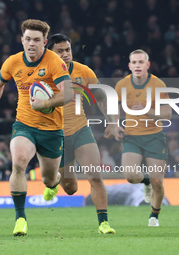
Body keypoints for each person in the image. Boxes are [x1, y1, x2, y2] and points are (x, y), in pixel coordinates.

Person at [0, 19, 73, 236]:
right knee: (19, 162)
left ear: (44, 42)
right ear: (22, 40)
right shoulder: (13, 62)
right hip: (25, 124)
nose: (32, 44)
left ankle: (53, 184)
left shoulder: (54, 61)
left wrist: (45, 104)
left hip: (52, 129)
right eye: (28, 39)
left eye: (37, 40)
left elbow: (68, 93)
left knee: (49, 178)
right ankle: (20, 218)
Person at [46, 34, 121, 234]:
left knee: (95, 176)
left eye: (67, 50)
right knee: (70, 189)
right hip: (56, 136)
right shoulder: (42, 74)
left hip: (81, 130)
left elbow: (102, 97)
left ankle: (103, 223)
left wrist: (113, 121)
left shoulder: (83, 71)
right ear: (50, 53)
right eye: (59, 51)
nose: (65, 54)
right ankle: (54, 178)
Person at [114, 49, 171, 227]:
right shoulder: (122, 85)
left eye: (141, 62)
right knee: (130, 176)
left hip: (154, 136)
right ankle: (144, 181)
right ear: (129, 66)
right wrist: (115, 124)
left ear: (147, 65)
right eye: (134, 62)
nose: (137, 65)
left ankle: (154, 216)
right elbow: (113, 108)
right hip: (132, 136)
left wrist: (146, 111)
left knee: (158, 181)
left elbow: (167, 114)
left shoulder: (158, 84)